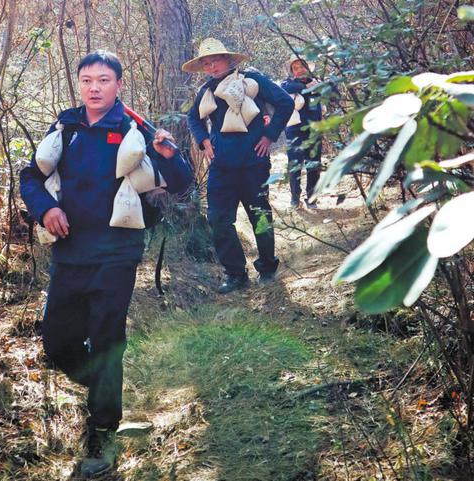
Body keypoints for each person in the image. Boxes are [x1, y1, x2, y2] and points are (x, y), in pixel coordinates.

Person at [20, 51, 192, 478]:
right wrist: (44, 210)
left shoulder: (136, 129)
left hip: (117, 252)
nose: (94, 87)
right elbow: (30, 177)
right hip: (70, 250)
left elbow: (183, 181)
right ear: (79, 84)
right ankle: (103, 390)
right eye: (86, 80)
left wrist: (169, 154)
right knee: (57, 343)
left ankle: (101, 429)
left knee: (106, 337)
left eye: (103, 80)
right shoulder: (66, 128)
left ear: (118, 85)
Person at [183, 38, 294, 294]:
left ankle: (267, 267)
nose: (211, 67)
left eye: (216, 60)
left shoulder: (252, 81)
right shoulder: (207, 92)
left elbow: (285, 103)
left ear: (228, 59)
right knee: (218, 219)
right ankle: (235, 274)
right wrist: (203, 141)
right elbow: (193, 118)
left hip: (254, 163)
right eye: (206, 63)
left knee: (260, 215)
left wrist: (269, 135)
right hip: (221, 167)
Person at [281, 56, 323, 209]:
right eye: (295, 67)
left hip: (315, 130)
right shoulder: (288, 84)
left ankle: (312, 199)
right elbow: (283, 90)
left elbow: (332, 92)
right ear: (292, 71)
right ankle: (294, 198)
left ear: (307, 67)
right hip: (294, 131)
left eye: (301, 66)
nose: (299, 70)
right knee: (295, 164)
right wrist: (306, 88)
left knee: (313, 165)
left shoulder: (317, 82)